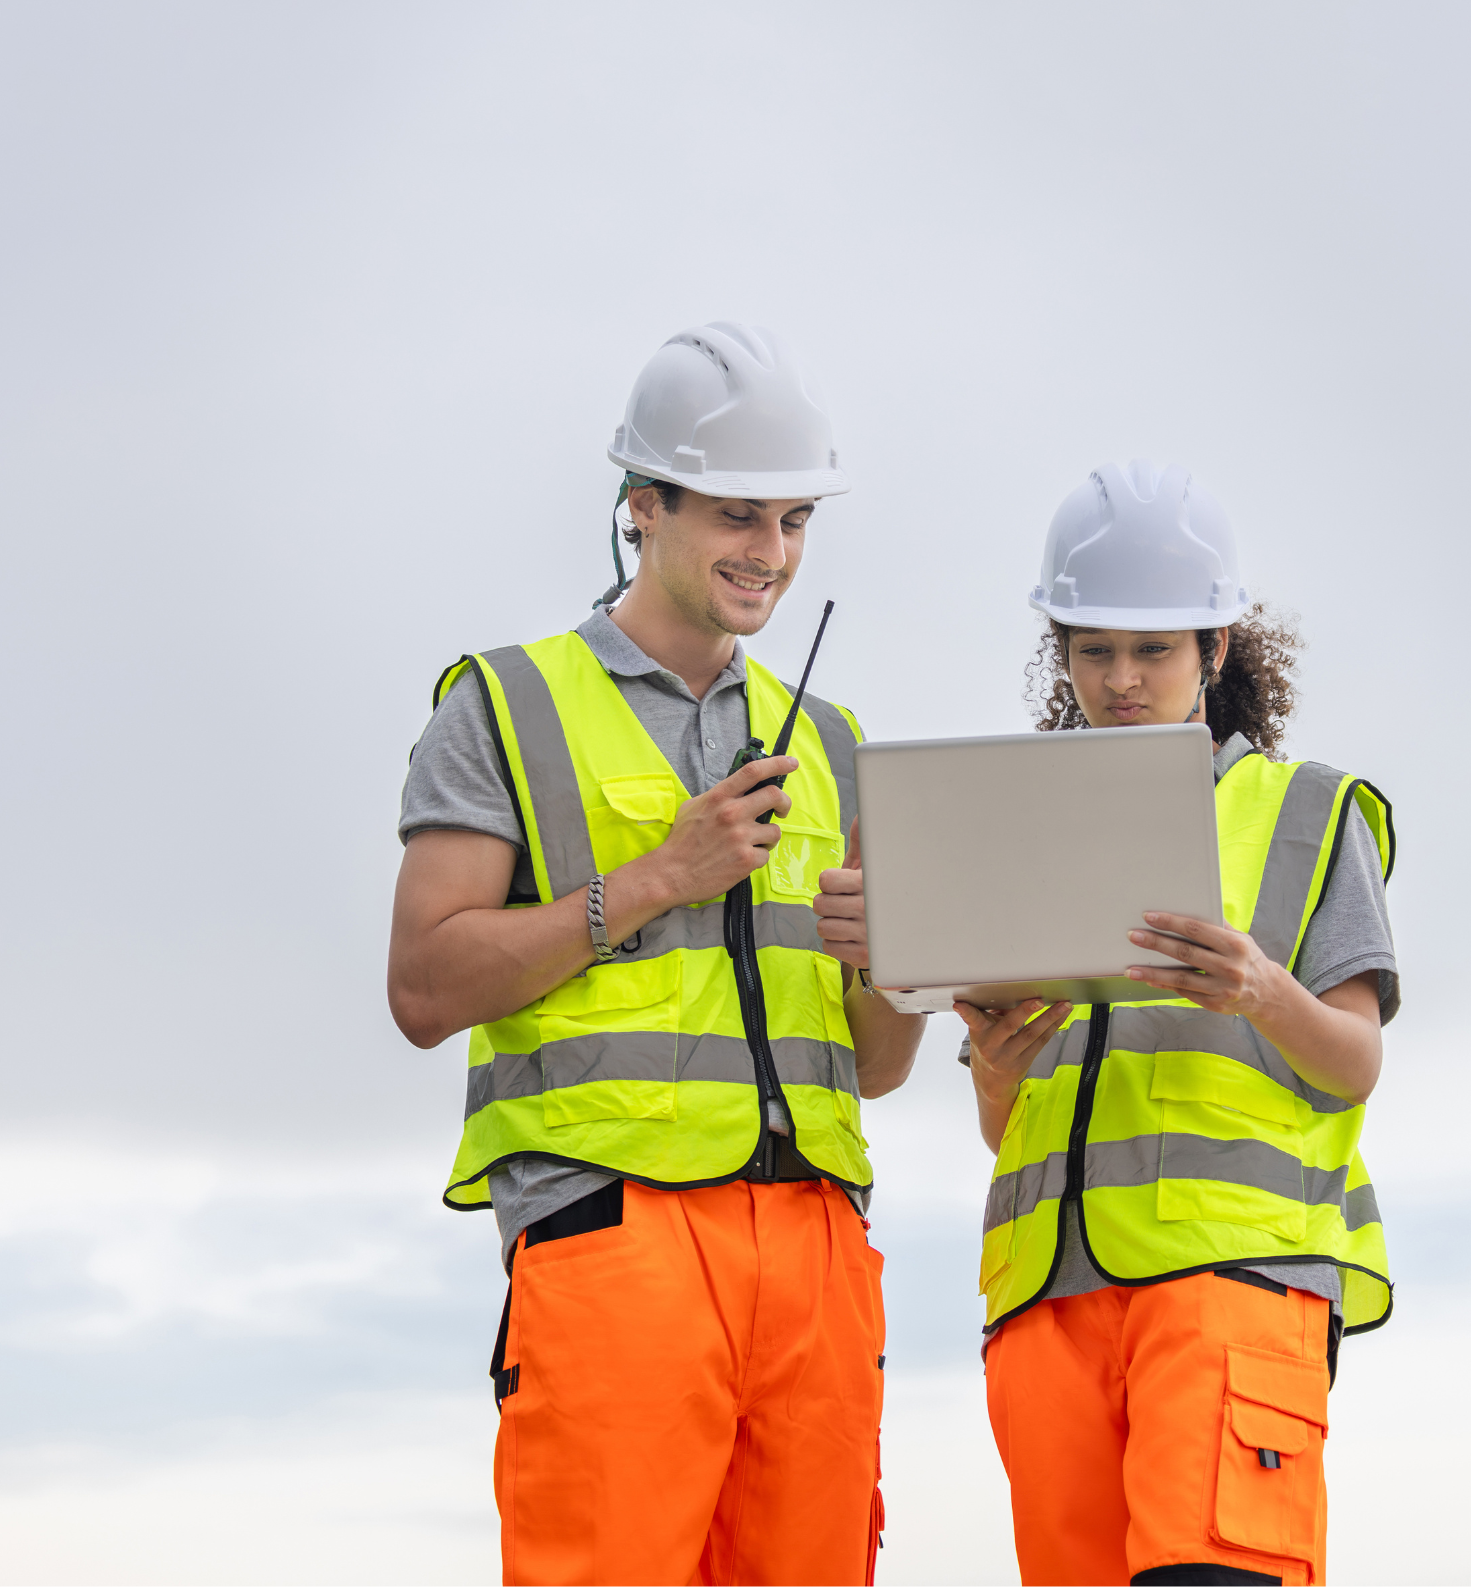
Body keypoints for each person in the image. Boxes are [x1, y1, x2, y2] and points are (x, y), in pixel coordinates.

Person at [386, 322, 927, 1586]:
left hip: (815, 1253)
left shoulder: (840, 744)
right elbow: (421, 990)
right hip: (612, 1239)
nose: (771, 555)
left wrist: (896, 972)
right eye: (739, 515)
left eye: (793, 522)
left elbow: (878, 1064)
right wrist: (656, 881)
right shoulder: (506, 706)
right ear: (644, 506)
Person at [833, 459, 1397, 1586]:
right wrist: (998, 1069)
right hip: (1049, 1306)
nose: (1122, 680)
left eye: (1154, 651)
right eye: (1094, 651)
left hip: (1229, 1289)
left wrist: (1258, 990)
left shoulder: (1306, 812)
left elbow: (1354, 1064)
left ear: (1217, 650)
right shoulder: (1015, 825)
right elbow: (1009, 1133)